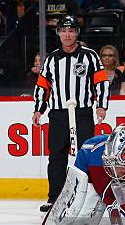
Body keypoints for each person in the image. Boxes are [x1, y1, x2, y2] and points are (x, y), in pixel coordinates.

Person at [32, 15, 110, 213]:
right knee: (57, 156)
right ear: (58, 33)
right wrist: (38, 109)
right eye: (64, 30)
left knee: (86, 155)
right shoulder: (51, 59)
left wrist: (101, 105)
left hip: (83, 112)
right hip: (58, 114)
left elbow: (101, 81)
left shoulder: (90, 56)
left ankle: (89, 197)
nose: (67, 34)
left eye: (71, 30)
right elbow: (43, 85)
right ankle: (55, 198)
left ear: (77, 33)